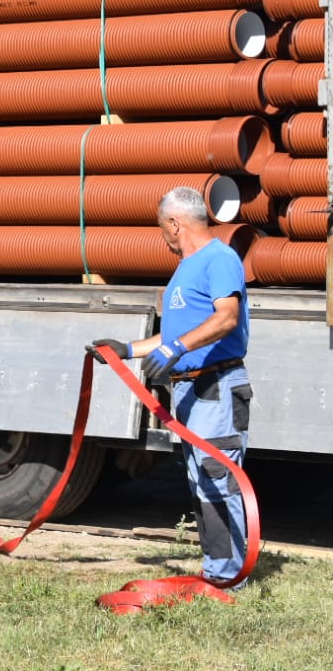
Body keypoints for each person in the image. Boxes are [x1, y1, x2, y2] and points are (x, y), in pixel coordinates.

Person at [89, 184, 252, 587]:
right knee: (201, 481)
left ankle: (229, 577)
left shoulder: (219, 259)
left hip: (215, 386)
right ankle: (219, 568)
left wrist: (178, 347)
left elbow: (226, 318)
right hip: (189, 390)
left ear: (175, 223)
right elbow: (174, 335)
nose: (163, 237)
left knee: (218, 477)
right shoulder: (185, 269)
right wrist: (125, 349)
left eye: (162, 227)